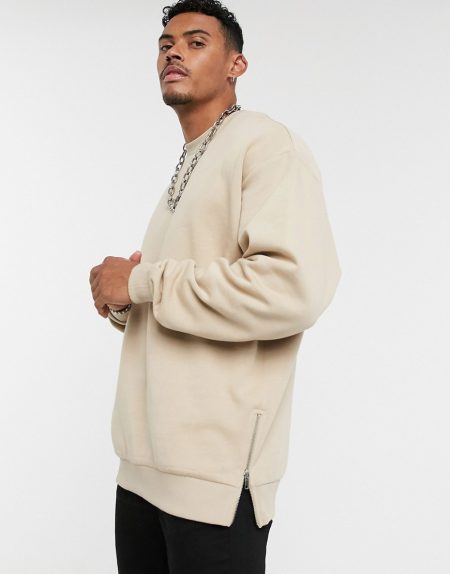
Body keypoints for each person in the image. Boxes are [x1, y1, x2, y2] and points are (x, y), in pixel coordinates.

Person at [89, 0, 342, 572]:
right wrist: (122, 302)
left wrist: (142, 282)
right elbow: (185, 299)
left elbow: (293, 288)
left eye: (195, 42)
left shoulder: (266, 144)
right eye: (165, 44)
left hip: (215, 487)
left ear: (236, 65)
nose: (173, 52)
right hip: (141, 476)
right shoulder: (190, 161)